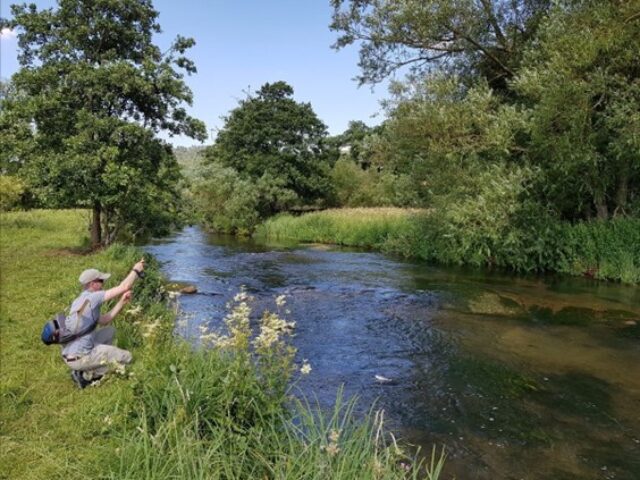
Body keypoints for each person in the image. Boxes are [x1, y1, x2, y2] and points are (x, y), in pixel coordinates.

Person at [62, 258, 145, 388]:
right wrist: (136, 270)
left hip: (70, 354)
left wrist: (122, 302)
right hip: (81, 356)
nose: (103, 282)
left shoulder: (81, 300)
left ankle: (89, 370)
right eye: (100, 280)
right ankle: (86, 375)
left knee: (109, 331)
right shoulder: (93, 297)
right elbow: (125, 286)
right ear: (92, 284)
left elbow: (105, 320)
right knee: (127, 357)